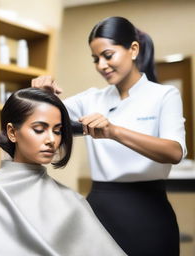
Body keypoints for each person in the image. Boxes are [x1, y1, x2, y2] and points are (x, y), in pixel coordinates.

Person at [32, 16, 186, 256]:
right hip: (100, 211)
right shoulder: (91, 99)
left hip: (150, 213)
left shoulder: (164, 95)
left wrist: (113, 131)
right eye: (95, 59)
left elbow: (174, 152)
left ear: (133, 49)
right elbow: (39, 121)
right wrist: (41, 97)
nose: (101, 65)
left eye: (108, 55)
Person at [0, 88, 125, 256]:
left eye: (57, 131)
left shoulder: (71, 198)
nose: (52, 140)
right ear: (12, 132)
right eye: (39, 129)